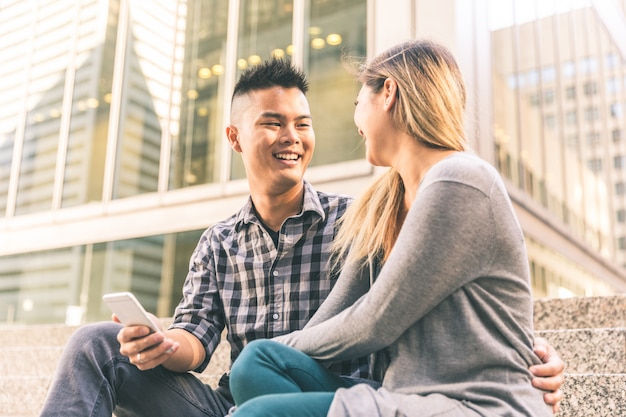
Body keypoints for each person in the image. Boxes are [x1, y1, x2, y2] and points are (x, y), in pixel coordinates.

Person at [39, 57, 563, 417]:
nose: (292, 137)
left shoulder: (358, 219)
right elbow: (195, 342)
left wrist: (529, 352)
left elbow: (431, 292)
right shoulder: (218, 243)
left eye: (302, 124)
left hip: (331, 399)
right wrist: (159, 341)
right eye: (273, 123)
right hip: (232, 402)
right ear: (235, 137)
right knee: (94, 344)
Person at [227, 41, 559, 417]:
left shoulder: (460, 179)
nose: (356, 122)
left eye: (357, 103)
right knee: (255, 363)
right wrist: (274, 353)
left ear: (388, 93)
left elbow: (376, 319)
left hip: (474, 405)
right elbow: (337, 312)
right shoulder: (382, 203)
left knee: (256, 415)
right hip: (403, 397)